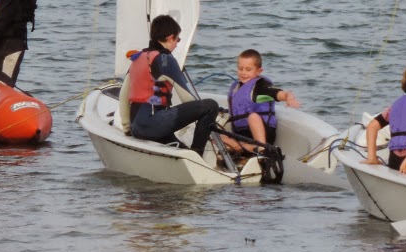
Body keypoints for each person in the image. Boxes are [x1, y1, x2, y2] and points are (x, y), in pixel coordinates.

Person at [124, 14, 220, 155]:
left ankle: (191, 157)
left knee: (182, 152)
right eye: (177, 39)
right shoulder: (166, 60)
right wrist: (211, 117)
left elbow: (123, 97)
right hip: (152, 124)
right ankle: (197, 154)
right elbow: (188, 98)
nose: (176, 44)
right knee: (210, 106)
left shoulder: (138, 58)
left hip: (137, 127)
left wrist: (127, 129)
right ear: (170, 38)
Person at [222, 49, 300, 158]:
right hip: (242, 135)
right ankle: (251, 148)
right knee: (215, 135)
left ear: (259, 71)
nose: (243, 72)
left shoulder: (260, 88)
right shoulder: (236, 87)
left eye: (248, 69)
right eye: (240, 69)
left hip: (263, 135)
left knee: (253, 116)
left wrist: (289, 97)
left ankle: (263, 150)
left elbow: (278, 93)